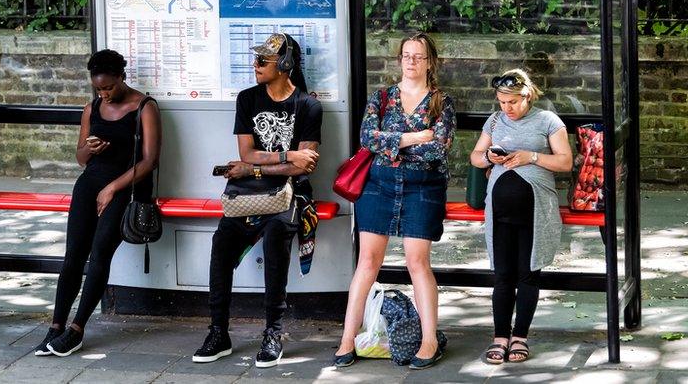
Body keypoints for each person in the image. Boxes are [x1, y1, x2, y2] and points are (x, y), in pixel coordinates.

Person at [192, 33, 323, 369]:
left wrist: (256, 167)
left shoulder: (309, 106)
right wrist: (284, 155)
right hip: (248, 194)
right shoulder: (247, 99)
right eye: (256, 59)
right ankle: (218, 332)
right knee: (221, 243)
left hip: (289, 193)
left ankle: (273, 333)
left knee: (277, 239)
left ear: (285, 65)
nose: (256, 65)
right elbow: (246, 152)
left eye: (263, 61)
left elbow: (304, 164)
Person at [333, 32, 456, 370]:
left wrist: (392, 144)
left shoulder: (441, 101)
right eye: (406, 55)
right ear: (399, 59)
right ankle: (347, 338)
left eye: (418, 56)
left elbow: (438, 148)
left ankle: (429, 340)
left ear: (430, 61)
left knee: (418, 262)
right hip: (379, 185)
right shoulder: (382, 97)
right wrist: (413, 137)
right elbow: (366, 138)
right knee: (368, 262)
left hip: (423, 187)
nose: (411, 61)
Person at [35, 49, 161, 357]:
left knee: (100, 251)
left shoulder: (144, 107)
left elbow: (150, 161)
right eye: (99, 88)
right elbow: (80, 158)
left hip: (125, 187)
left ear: (122, 77)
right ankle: (55, 326)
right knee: (73, 255)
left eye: (109, 87)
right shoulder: (92, 108)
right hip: (90, 184)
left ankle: (77, 329)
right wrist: (93, 148)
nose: (104, 93)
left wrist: (112, 188)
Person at [469, 69, 572, 364]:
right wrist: (490, 157)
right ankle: (500, 336)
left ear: (527, 96)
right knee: (502, 275)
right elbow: (475, 156)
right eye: (502, 102)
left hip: (535, 210)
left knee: (527, 274)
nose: (506, 108)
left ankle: (520, 337)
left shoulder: (548, 121)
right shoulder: (495, 120)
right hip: (500, 211)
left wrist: (532, 157)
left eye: (512, 102)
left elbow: (565, 161)